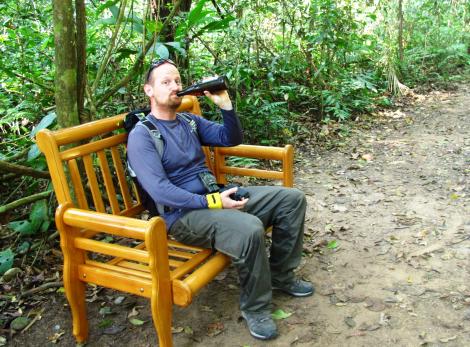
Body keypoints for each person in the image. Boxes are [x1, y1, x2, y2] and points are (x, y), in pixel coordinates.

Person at [127, 59, 314, 340]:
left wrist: (225, 104)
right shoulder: (142, 135)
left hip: (214, 198)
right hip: (181, 217)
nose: (175, 86)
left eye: (177, 80)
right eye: (165, 82)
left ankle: (281, 276)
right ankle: (256, 308)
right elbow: (160, 190)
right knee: (249, 227)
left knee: (292, 199)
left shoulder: (189, 121)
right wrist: (213, 202)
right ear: (149, 91)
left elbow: (231, 138)